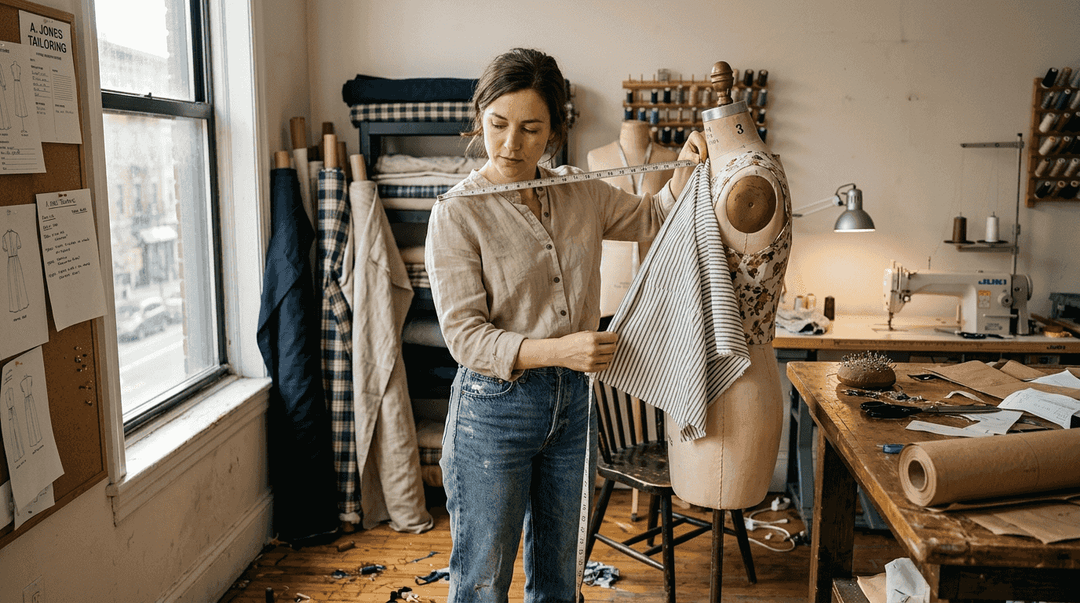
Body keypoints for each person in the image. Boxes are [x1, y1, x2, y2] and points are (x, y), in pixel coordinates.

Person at [424, 47, 705, 602]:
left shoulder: (578, 189)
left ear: (553, 130)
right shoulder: (457, 212)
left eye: (531, 129)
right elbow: (465, 338)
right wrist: (561, 351)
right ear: (479, 118)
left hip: (574, 406)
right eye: (498, 124)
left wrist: (686, 168)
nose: (511, 143)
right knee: (482, 583)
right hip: (494, 411)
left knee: (560, 578)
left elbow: (653, 217)